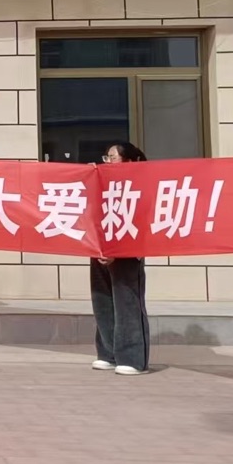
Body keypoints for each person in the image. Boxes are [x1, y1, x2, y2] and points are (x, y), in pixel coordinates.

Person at [91, 142, 151, 376]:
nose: (107, 162)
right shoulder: (100, 182)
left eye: (113, 157)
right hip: (100, 249)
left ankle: (133, 358)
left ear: (131, 161)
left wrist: (119, 249)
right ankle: (108, 353)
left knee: (127, 303)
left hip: (127, 251)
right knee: (102, 301)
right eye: (106, 157)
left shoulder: (143, 185)